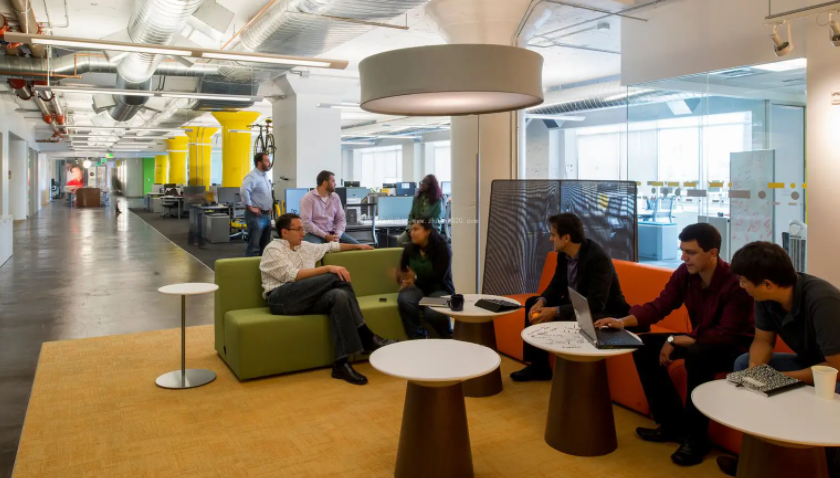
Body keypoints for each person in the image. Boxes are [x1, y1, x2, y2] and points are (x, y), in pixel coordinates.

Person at [594, 223, 755, 467]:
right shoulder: (685, 274)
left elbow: (727, 333)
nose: (683, 257)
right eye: (682, 251)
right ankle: (671, 424)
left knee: (698, 354)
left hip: (734, 347)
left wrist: (675, 340)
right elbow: (660, 305)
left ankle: (697, 439)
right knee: (644, 344)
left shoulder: (735, 283)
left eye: (690, 252)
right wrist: (622, 321)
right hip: (701, 338)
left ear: (712, 253)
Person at [716, 242, 840, 477]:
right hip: (811, 362)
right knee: (743, 363)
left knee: (828, 399)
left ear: (767, 284)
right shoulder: (764, 298)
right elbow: (763, 340)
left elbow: (835, 368)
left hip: (833, 371)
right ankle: (756, 458)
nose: (741, 286)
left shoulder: (823, 301)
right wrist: (755, 370)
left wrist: (779, 379)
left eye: (744, 281)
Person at [261, 213, 396, 385]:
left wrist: (358, 246)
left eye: (303, 229)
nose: (303, 233)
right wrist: (328, 268)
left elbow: (332, 246)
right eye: (298, 229)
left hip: (305, 299)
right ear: (284, 232)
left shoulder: (305, 247)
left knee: (339, 297)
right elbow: (292, 275)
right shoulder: (273, 249)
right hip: (280, 299)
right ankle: (366, 336)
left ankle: (341, 364)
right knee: (336, 276)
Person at [511, 213, 631, 382]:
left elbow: (596, 303)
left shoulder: (598, 259)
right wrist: (542, 301)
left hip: (605, 311)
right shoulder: (564, 254)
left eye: (553, 235)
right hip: (577, 305)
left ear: (566, 238)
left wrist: (555, 310)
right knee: (532, 302)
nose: (550, 239)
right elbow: (556, 285)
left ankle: (573, 375)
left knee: (574, 316)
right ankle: (539, 367)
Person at [396, 217, 455, 339]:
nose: (411, 232)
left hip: (439, 289)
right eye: (411, 229)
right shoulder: (409, 248)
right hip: (417, 288)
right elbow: (402, 270)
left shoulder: (442, 248)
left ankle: (447, 337)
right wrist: (403, 281)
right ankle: (418, 337)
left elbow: (439, 277)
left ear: (427, 231)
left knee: (432, 312)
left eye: (416, 229)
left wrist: (416, 277)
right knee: (404, 300)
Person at [300, 170, 359, 245]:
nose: (335, 184)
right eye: (333, 181)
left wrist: (338, 234)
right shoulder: (308, 198)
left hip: (333, 233)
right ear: (325, 183)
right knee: (312, 249)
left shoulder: (335, 197)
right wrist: (325, 236)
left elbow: (340, 219)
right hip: (314, 234)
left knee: (358, 247)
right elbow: (306, 222)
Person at [240, 152, 274, 257]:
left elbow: (265, 193)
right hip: (256, 215)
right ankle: (250, 266)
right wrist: (250, 207)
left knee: (265, 245)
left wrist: (269, 206)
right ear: (259, 163)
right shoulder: (252, 176)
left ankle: (262, 266)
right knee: (254, 246)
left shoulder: (264, 176)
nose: (269, 163)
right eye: (267, 161)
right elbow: (244, 191)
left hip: (266, 214)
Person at [396, 175, 444, 246]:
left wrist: (423, 229)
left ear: (431, 185)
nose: (422, 184)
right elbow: (411, 216)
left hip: (429, 229)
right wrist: (409, 229)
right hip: (415, 227)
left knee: (419, 242)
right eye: (422, 182)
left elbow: (436, 220)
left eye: (425, 182)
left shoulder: (437, 201)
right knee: (400, 240)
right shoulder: (417, 198)